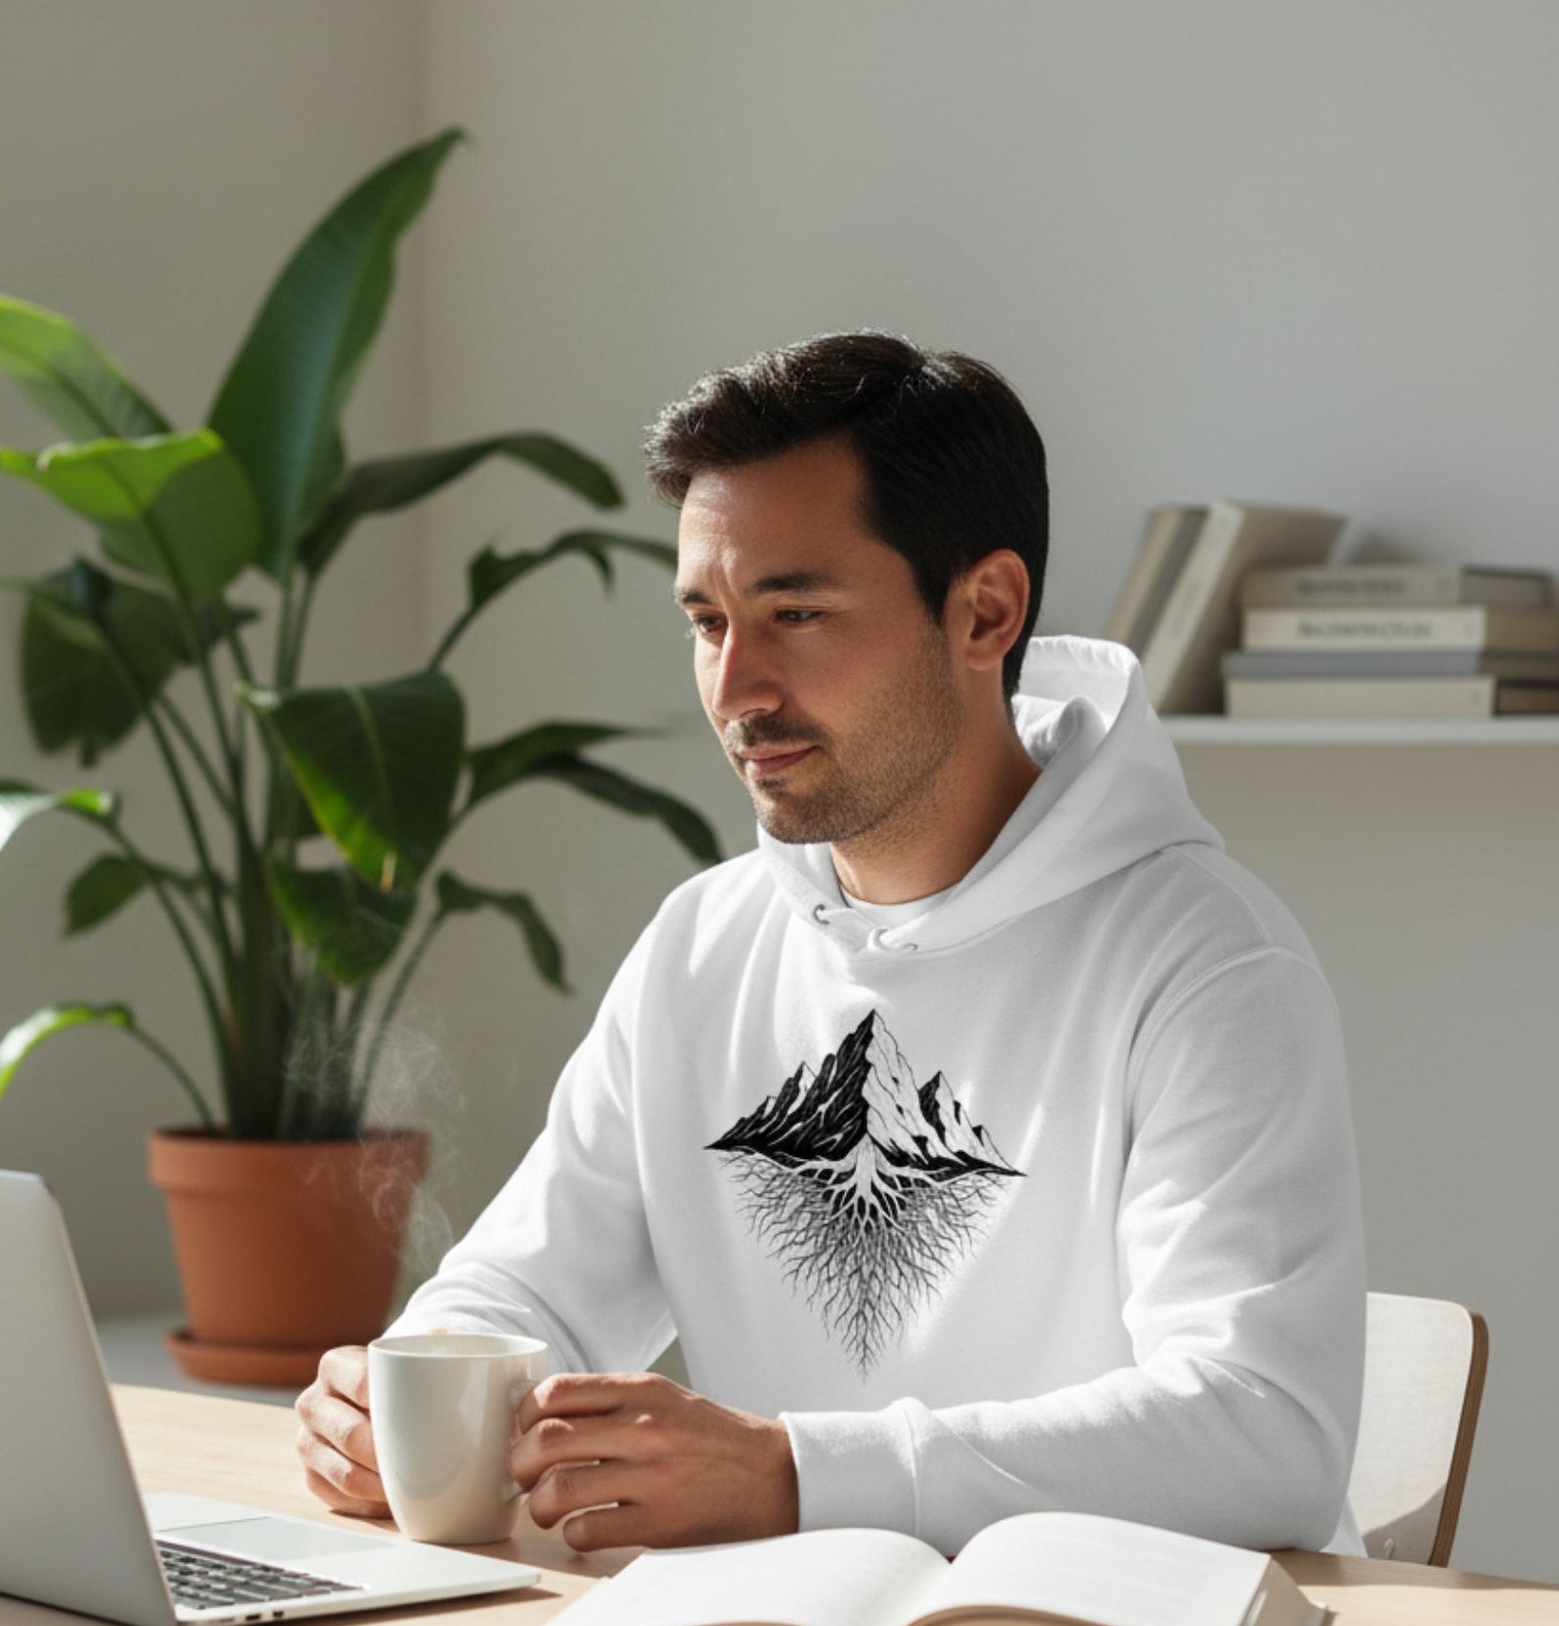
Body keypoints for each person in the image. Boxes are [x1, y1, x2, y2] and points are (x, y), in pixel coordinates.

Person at [295, 331, 1368, 1559]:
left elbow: (1262, 1433)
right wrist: (391, 1393)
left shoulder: (1204, 962)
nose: (735, 686)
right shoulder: (705, 942)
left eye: (792, 611)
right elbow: (526, 1293)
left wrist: (792, 1473)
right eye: (706, 621)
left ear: (984, 610)